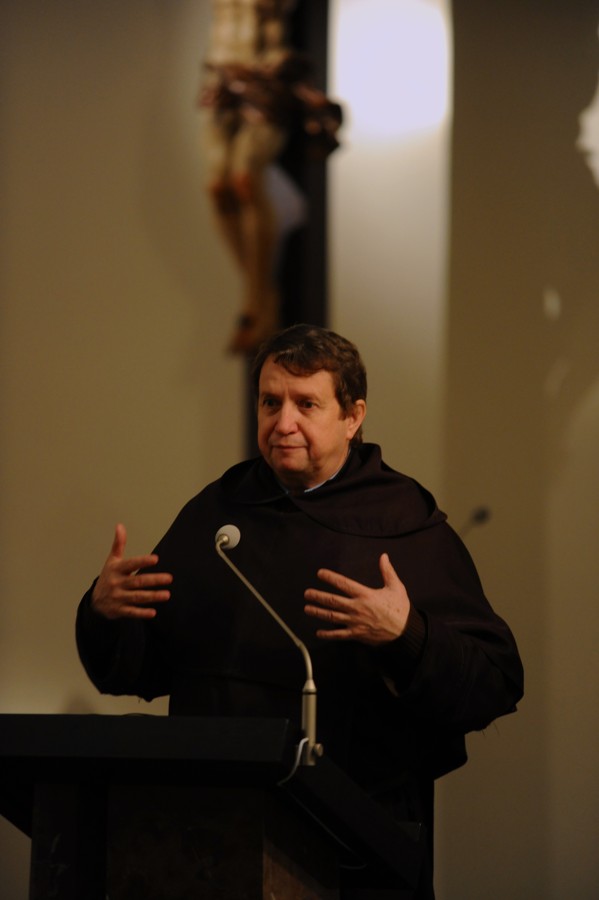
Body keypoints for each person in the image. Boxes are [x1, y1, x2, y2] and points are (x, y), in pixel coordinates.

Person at [76, 324, 524, 899]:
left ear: (353, 417)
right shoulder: (218, 513)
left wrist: (407, 635)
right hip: (211, 835)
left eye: (305, 404)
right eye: (270, 402)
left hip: (351, 847)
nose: (282, 422)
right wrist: (105, 613)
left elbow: (496, 680)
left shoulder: (405, 525)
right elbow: (139, 669)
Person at [199, 0, 342, 354]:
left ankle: (255, 302)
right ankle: (263, 294)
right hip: (223, 67)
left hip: (263, 69)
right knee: (217, 187)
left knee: (245, 179)